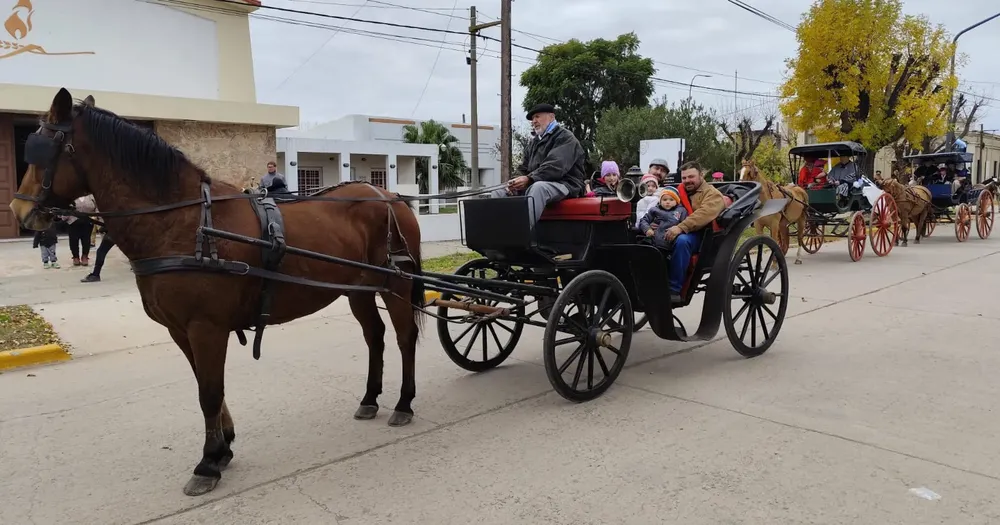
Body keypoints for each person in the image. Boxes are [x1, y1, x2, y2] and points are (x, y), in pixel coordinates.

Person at [487, 103, 585, 229]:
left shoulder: (565, 137)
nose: (534, 121)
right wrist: (514, 181)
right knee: (499, 190)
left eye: (537, 117)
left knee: (539, 188)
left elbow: (555, 167)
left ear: (551, 117)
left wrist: (530, 179)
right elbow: (524, 168)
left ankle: (520, 232)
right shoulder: (534, 142)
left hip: (566, 184)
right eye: (532, 119)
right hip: (537, 181)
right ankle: (500, 231)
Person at [667, 161, 726, 302]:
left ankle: (674, 290)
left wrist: (681, 227)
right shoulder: (678, 191)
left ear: (701, 175)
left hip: (701, 236)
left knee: (682, 242)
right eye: (684, 178)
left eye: (691, 177)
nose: (687, 181)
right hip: (675, 229)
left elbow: (704, 214)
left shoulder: (712, 194)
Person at [64, 194, 95, 266]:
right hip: (73, 222)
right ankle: (75, 257)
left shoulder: (91, 196)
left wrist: (95, 217)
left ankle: (85, 256)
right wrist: (65, 216)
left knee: (86, 240)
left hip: (88, 222)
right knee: (73, 241)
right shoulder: (70, 196)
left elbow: (97, 207)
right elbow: (64, 208)